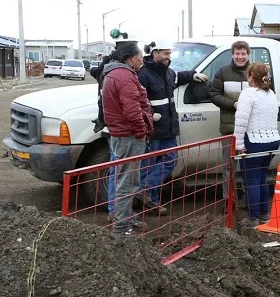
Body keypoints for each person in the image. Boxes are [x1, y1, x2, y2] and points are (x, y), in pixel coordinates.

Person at [137, 38, 209, 215]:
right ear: (155, 54)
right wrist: (148, 116)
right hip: (153, 130)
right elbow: (137, 100)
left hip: (168, 129)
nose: (169, 56)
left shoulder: (167, 72)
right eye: (166, 53)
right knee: (148, 165)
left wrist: (192, 75)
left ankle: (145, 189)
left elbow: (178, 77)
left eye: (170, 53)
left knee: (170, 161)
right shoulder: (143, 74)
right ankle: (151, 201)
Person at [101, 42, 153, 235]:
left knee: (125, 179)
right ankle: (122, 227)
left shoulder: (114, 73)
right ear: (131, 58)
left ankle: (125, 218)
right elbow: (132, 110)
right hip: (128, 135)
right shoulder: (124, 77)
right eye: (140, 56)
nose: (142, 60)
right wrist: (141, 131)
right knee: (128, 182)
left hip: (121, 133)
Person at [233, 63, 280, 228]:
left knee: (251, 180)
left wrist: (238, 145)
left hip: (254, 141)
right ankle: (264, 214)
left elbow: (241, 122)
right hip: (272, 141)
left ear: (251, 77)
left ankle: (252, 218)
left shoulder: (248, 93)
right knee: (261, 178)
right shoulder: (271, 93)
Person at [209, 40, 253, 203]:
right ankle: (229, 201)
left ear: (248, 54)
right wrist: (233, 104)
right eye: (237, 53)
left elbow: (266, 91)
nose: (240, 57)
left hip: (251, 128)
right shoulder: (222, 72)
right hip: (229, 127)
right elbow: (213, 94)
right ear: (232, 54)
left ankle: (250, 200)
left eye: (243, 53)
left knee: (249, 166)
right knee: (229, 166)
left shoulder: (255, 71)